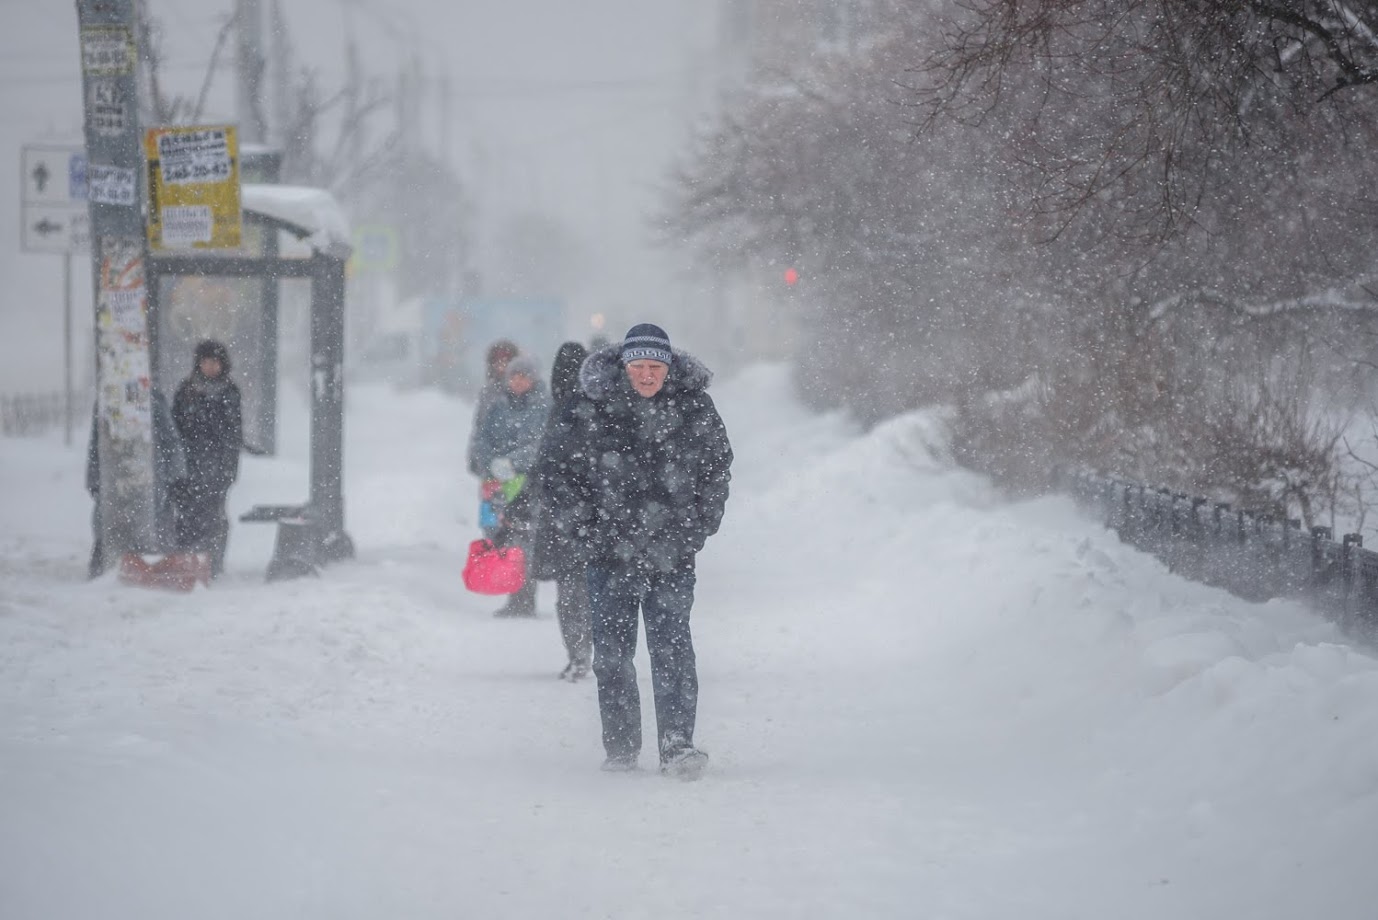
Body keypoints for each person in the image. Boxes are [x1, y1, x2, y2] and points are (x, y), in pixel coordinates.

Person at [538, 323, 733, 777]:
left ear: (669, 367)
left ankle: (677, 744)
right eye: (638, 366)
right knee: (612, 654)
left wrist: (695, 529)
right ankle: (622, 747)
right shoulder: (587, 407)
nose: (647, 375)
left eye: (655, 367)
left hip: (673, 554)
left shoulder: (693, 407)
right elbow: (556, 473)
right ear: (624, 366)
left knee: (673, 649)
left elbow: (716, 470)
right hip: (608, 556)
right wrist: (588, 532)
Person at [505, 341, 593, 678]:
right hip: (593, 519)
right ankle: (588, 651)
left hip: (562, 518)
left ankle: (578, 653)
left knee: (569, 593)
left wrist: (522, 504)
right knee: (585, 592)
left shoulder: (561, 411)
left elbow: (544, 467)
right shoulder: (599, 409)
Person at [472, 355, 551, 617]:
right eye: (514, 376)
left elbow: (541, 443)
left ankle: (524, 597)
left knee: (523, 540)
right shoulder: (497, 405)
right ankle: (512, 594)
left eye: (524, 376)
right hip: (495, 483)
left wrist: (513, 463)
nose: (518, 381)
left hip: (527, 484)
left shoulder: (542, 406)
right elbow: (482, 438)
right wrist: (490, 465)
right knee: (497, 534)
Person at [86, 390, 188, 578]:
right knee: (109, 524)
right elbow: (96, 443)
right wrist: (94, 479)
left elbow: (170, 439)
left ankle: (153, 571)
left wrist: (176, 476)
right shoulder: (107, 399)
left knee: (154, 526)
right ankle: (109, 570)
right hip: (116, 475)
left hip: (152, 477)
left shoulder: (154, 399)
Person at [171, 339, 243, 578]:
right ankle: (187, 563)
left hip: (217, 469)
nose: (211, 367)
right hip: (189, 467)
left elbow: (233, 434)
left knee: (214, 516)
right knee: (187, 515)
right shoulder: (186, 391)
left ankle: (212, 564)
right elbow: (177, 430)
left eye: (215, 362)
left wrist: (228, 469)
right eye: (206, 362)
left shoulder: (230, 392)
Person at [467, 339, 519, 477]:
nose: (502, 365)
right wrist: (476, 457)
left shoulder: (523, 389)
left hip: (517, 460)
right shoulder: (488, 392)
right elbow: (480, 426)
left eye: (506, 360)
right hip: (491, 458)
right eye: (498, 361)